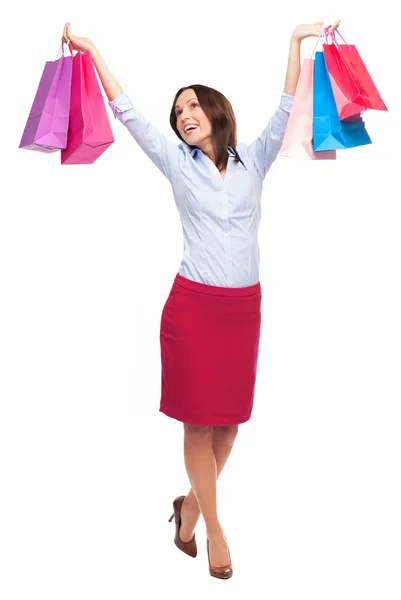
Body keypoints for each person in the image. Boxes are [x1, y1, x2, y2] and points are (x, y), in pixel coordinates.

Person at [62, 19, 340, 580]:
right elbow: (130, 113)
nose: (183, 115)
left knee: (231, 422)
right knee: (197, 422)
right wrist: (91, 51)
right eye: (178, 111)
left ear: (215, 112)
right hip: (193, 308)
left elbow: (287, 106)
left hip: (243, 309)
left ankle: (188, 509)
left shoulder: (254, 159)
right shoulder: (175, 163)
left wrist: (295, 41)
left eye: (192, 106)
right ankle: (215, 529)